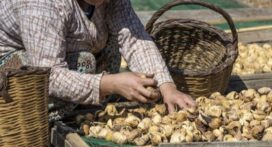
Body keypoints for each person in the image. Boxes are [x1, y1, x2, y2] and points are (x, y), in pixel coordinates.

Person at [0, 0, 195, 120]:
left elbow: (134, 39)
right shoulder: (40, 4)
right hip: (14, 68)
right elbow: (48, 74)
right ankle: (45, 121)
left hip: (68, 52)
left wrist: (167, 87)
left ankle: (83, 108)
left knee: (112, 40)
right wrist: (109, 83)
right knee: (84, 62)